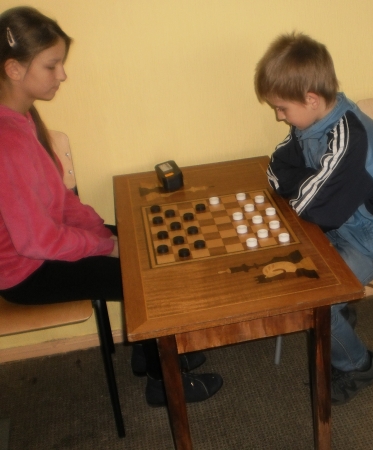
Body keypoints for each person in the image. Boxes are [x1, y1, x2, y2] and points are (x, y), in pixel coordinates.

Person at [0, 6, 222, 407]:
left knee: (147, 243)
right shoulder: (7, 143)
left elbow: (60, 200)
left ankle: (147, 353)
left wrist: (101, 230)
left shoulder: (23, 117)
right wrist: (105, 246)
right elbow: (37, 242)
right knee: (145, 278)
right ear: (14, 69)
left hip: (46, 248)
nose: (62, 75)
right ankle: (163, 382)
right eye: (52, 65)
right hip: (26, 272)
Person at [255, 32, 373, 405]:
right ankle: (340, 315)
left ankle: (359, 366)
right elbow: (276, 169)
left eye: (282, 108)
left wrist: (309, 189)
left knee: (316, 300)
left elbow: (315, 207)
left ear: (311, 99)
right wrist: (311, 187)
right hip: (344, 227)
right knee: (285, 258)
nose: (279, 116)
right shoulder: (308, 126)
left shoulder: (351, 138)